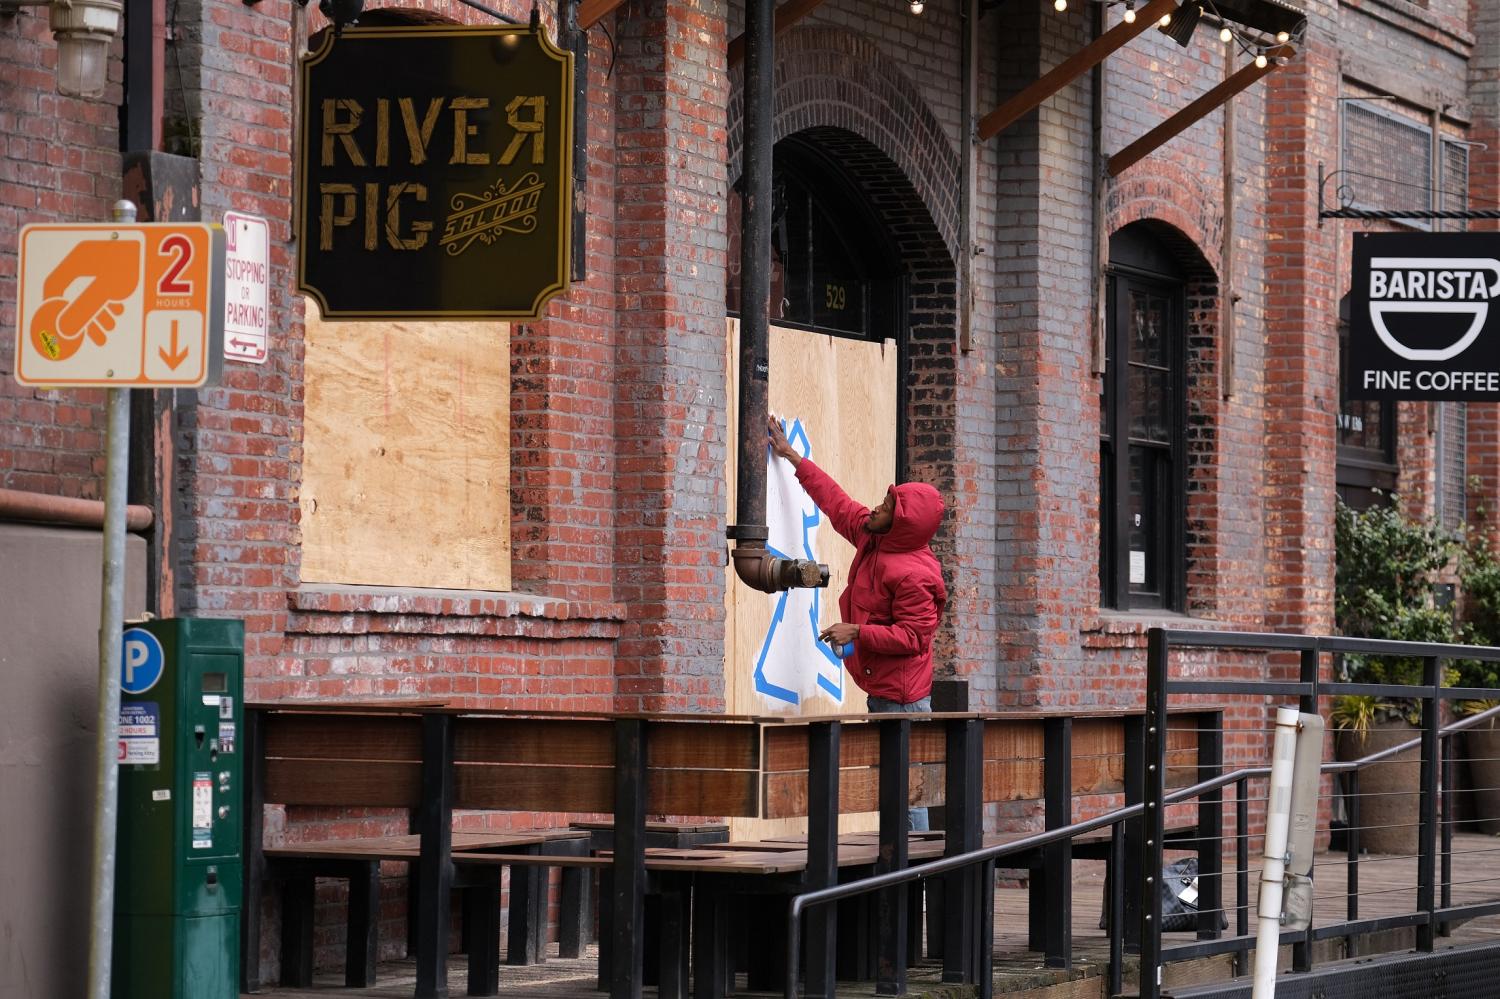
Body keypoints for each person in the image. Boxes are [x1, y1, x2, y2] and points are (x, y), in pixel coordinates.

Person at [767, 414, 947, 830]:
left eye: (889, 506)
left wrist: (857, 632)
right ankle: (900, 877)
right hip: (884, 688)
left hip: (903, 698)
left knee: (905, 794)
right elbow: (837, 503)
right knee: (895, 790)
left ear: (902, 521)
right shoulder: (874, 535)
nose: (879, 507)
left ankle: (910, 884)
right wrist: (793, 456)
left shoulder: (915, 573)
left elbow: (914, 637)